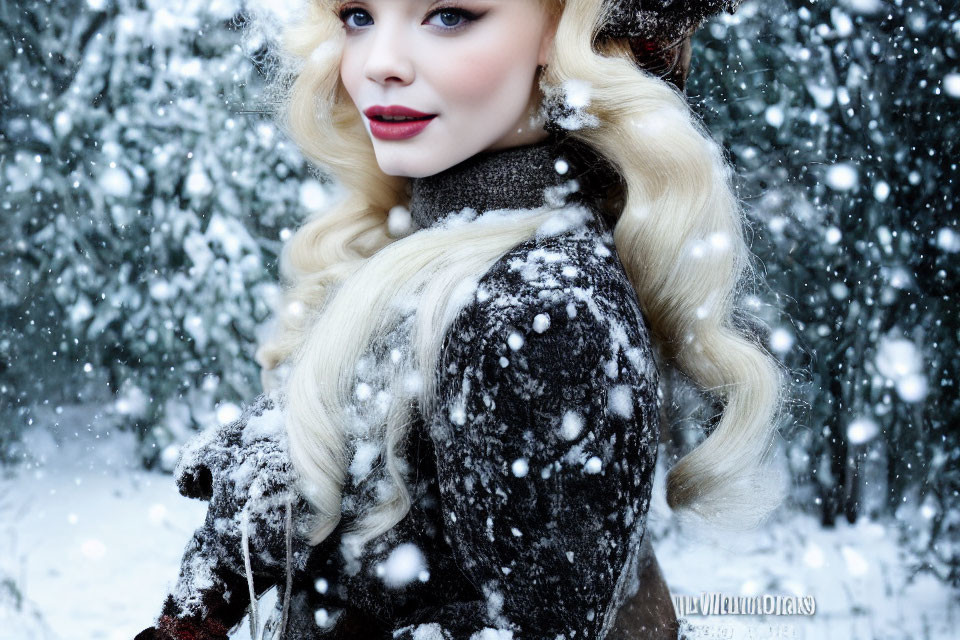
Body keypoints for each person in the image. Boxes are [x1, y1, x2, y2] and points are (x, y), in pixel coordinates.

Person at [136, 0, 788, 638]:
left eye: (449, 15)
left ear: (559, 29)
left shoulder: (542, 315)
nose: (380, 64)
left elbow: (546, 621)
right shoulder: (440, 256)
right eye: (359, 16)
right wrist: (203, 606)